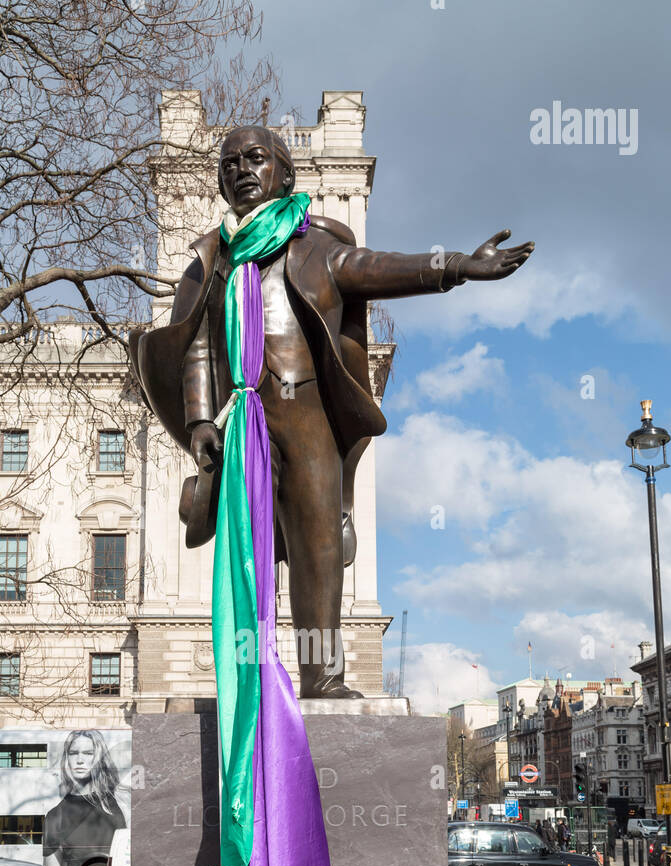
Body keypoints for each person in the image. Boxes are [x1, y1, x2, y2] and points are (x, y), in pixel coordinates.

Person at [130, 124, 533, 698]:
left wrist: (459, 266)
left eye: (256, 159)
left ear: (284, 174)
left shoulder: (317, 247)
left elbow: (381, 267)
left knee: (318, 548)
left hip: (305, 417)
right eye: (229, 165)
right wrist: (198, 423)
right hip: (239, 424)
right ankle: (245, 680)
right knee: (244, 552)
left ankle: (323, 677)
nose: (241, 170)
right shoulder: (207, 262)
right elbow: (193, 345)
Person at [42, 731, 126, 866]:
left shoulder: (117, 805)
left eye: (88, 753)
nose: (79, 760)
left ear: (99, 758)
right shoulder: (55, 815)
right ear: (67, 758)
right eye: (73, 753)